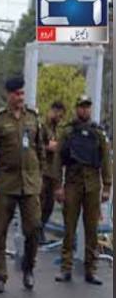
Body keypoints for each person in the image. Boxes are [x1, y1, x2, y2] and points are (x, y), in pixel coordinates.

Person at [0, 76, 44, 293]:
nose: (21, 97)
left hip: (29, 184)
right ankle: (0, 275)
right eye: (17, 94)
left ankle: (28, 268)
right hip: (7, 183)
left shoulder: (33, 117)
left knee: (34, 228)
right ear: (9, 95)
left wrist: (40, 177)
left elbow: (40, 149)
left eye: (22, 93)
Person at [53, 95, 112, 285]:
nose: (84, 110)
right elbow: (57, 160)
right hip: (72, 184)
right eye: (81, 107)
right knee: (69, 228)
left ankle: (91, 269)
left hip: (93, 186)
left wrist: (107, 186)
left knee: (92, 231)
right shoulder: (68, 132)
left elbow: (105, 161)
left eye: (87, 106)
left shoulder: (98, 133)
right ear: (76, 108)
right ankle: (66, 268)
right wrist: (58, 186)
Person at [39, 101, 66, 244]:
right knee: (40, 203)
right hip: (43, 171)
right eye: (57, 114)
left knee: (49, 205)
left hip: (54, 173)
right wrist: (48, 147)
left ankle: (40, 229)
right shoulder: (42, 127)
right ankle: (36, 233)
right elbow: (35, 146)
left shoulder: (58, 130)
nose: (59, 118)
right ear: (52, 111)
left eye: (61, 116)